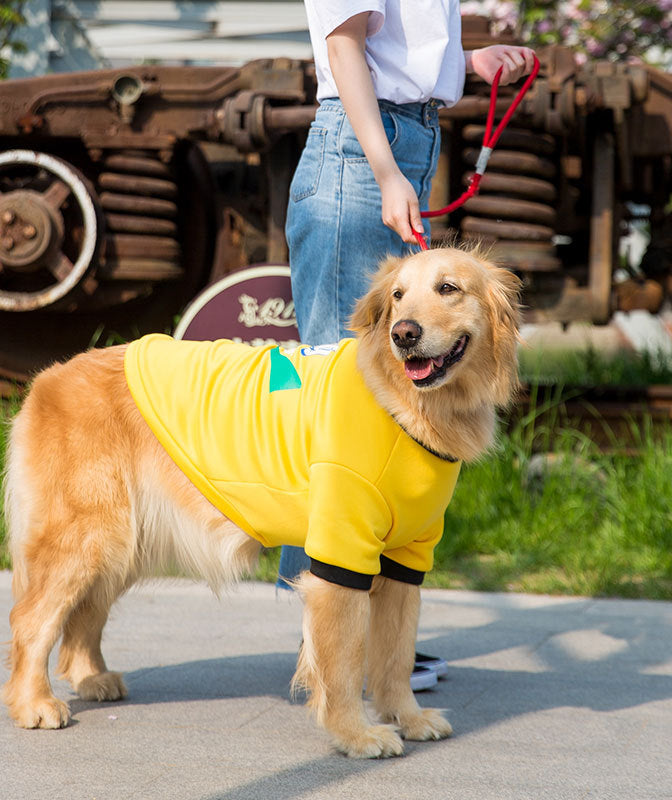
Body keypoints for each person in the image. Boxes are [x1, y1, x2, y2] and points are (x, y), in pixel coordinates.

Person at [278, 0, 536, 690]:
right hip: (363, 150)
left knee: (380, 419)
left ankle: (360, 638)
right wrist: (386, 170)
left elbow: (400, 44)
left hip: (404, 135)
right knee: (335, 409)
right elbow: (344, 48)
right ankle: (331, 647)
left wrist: (464, 63)